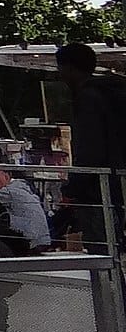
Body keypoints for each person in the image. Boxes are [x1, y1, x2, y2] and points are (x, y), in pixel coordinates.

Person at [55, 42, 126, 252]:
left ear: (69, 68)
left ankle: (109, 285)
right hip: (116, 185)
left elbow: (90, 149)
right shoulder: (113, 93)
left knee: (102, 252)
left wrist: (73, 187)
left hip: (97, 191)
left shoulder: (88, 99)